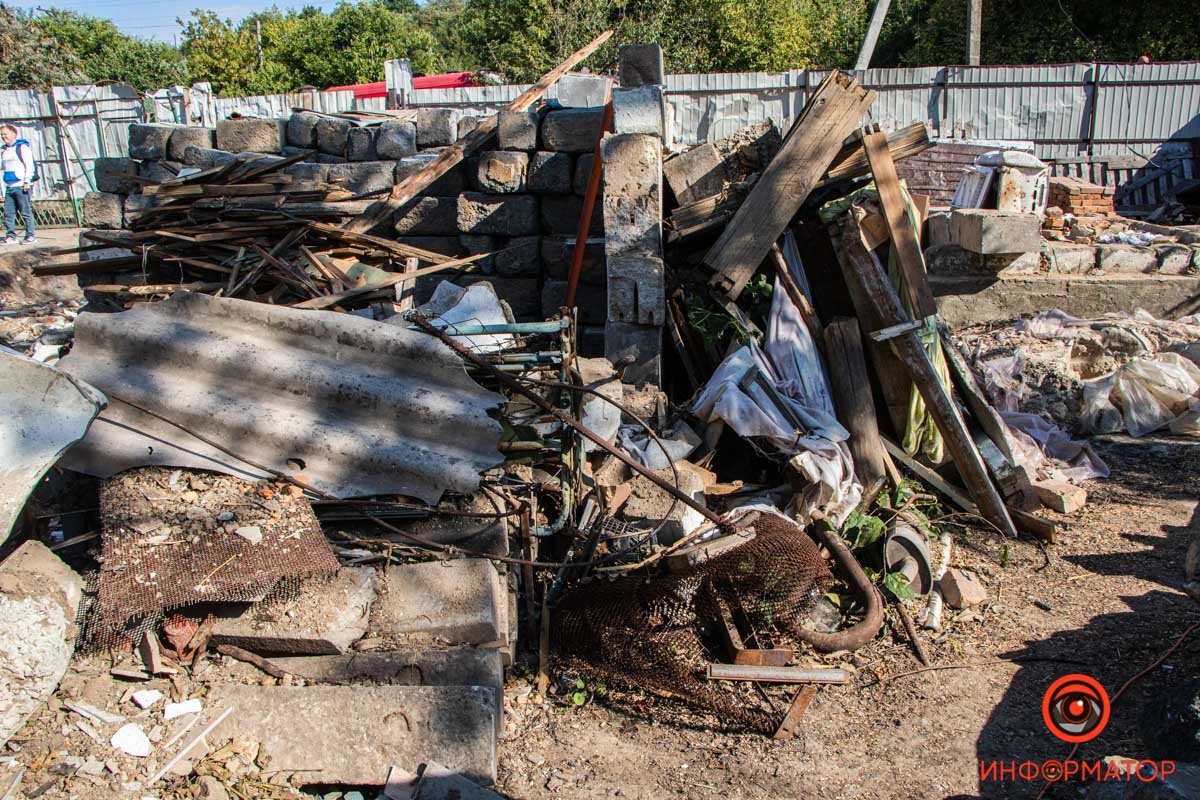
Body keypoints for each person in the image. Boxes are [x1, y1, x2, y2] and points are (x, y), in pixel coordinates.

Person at [0, 125, 36, 244]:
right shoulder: (4, 150)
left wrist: (27, 181)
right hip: (9, 186)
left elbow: (29, 165)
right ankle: (11, 236)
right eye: (2, 134)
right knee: (8, 213)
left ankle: (30, 235)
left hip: (21, 185)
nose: (3, 136)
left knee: (25, 212)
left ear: (14, 134)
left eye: (6, 134)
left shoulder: (22, 148)